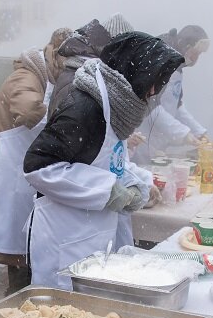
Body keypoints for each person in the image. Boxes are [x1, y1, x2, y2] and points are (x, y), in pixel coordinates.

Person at [23, 32, 183, 289]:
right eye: (152, 82)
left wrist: (139, 183)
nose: (153, 91)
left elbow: (109, 160)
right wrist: (107, 191)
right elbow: (38, 166)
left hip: (92, 232)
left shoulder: (115, 105)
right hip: (66, 238)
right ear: (134, 74)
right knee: (62, 316)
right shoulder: (85, 109)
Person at [0, 27, 70, 292]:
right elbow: (27, 112)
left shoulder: (48, 75)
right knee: (17, 246)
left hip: (27, 172)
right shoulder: (26, 75)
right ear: (55, 55)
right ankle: (16, 298)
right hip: (9, 171)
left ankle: (24, 293)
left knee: (29, 244)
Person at [130, 25, 210, 164]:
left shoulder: (177, 66)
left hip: (160, 138)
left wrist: (199, 131)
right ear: (185, 46)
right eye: (195, 52)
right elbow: (150, 107)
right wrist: (183, 133)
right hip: (143, 137)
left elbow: (177, 105)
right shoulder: (160, 61)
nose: (196, 58)